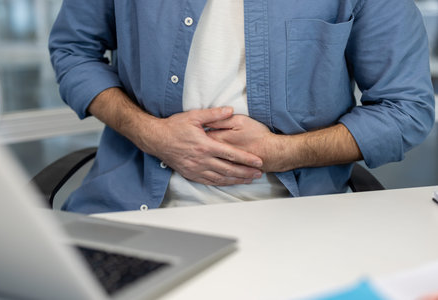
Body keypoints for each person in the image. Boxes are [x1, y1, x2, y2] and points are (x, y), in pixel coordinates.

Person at [49, 0, 435, 214]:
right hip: (129, 209)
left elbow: (406, 108)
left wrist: (282, 153)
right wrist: (150, 134)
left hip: (295, 222)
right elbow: (73, 52)